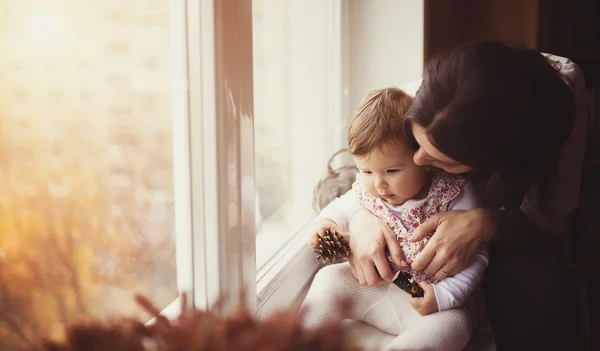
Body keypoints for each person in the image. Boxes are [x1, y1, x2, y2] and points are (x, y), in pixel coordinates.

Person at [346, 41, 586, 351]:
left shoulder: (556, 107)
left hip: (512, 231)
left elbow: (549, 218)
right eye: (416, 143)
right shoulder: (418, 100)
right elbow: (363, 169)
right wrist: (362, 219)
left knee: (536, 286)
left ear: (498, 160)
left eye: (441, 160)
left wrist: (488, 222)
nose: (419, 161)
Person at [301, 88, 489, 351]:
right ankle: (298, 342)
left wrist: (445, 296)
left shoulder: (454, 194)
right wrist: (327, 225)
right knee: (329, 280)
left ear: (423, 159)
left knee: (455, 323)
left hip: (431, 301)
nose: (379, 184)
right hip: (379, 286)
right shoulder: (366, 190)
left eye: (392, 171)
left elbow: (476, 255)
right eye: (366, 170)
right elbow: (339, 209)